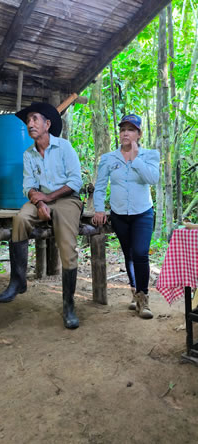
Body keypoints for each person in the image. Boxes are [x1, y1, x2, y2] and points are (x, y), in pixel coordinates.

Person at [0, 102, 84, 329]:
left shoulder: (64, 148)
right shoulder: (29, 154)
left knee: (66, 245)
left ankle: (68, 305)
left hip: (66, 200)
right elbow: (28, 186)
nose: (30, 124)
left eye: (35, 119)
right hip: (41, 200)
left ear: (47, 124)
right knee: (20, 219)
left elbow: (75, 182)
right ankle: (18, 281)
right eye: (28, 121)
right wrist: (38, 200)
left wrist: (48, 199)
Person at [92, 114, 160, 319]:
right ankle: (135, 294)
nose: (125, 133)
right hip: (119, 214)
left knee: (140, 253)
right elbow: (101, 186)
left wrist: (135, 158)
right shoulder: (108, 159)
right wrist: (99, 209)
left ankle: (144, 299)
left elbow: (153, 179)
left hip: (143, 213)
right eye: (123, 129)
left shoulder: (150, 155)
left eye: (131, 129)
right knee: (128, 254)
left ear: (139, 134)